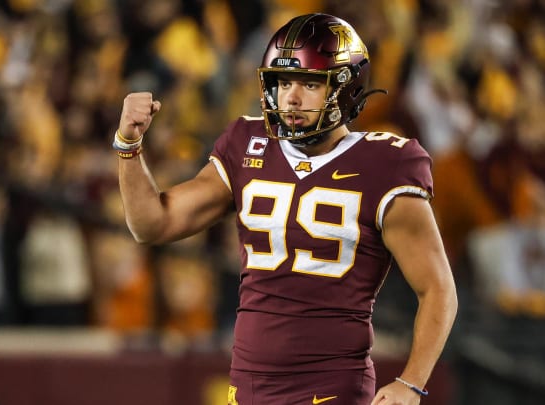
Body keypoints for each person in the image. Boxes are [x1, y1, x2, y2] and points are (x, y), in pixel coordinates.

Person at [114, 13, 457, 405]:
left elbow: (438, 288)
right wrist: (128, 146)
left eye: (310, 84)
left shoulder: (387, 164)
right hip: (246, 386)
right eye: (283, 82)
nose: (290, 97)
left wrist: (411, 383)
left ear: (345, 89)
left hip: (331, 388)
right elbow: (152, 224)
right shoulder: (247, 143)